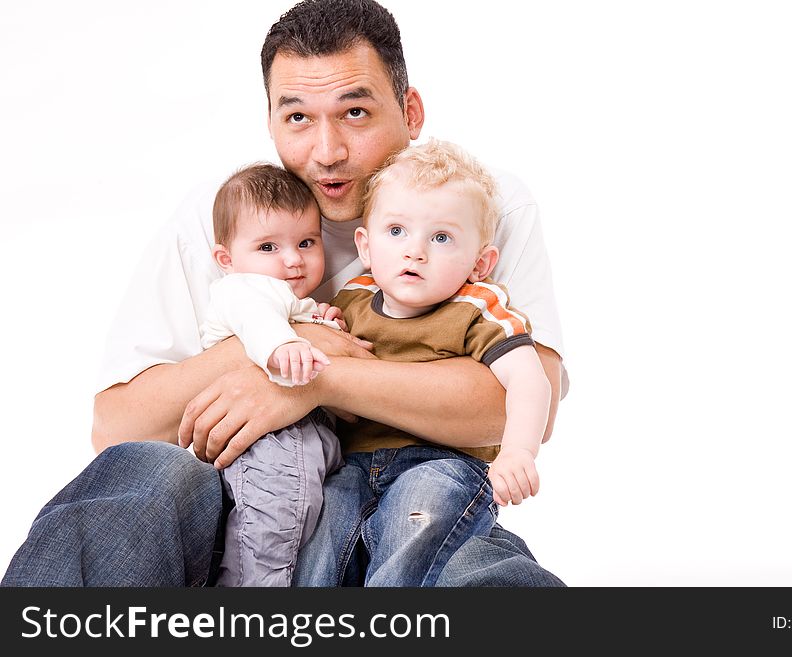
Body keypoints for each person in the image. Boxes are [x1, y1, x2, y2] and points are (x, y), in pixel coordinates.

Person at [2, 0, 566, 587]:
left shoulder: (470, 203)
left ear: (410, 110)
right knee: (146, 472)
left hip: (408, 501)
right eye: (297, 118)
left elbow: (521, 404)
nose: (327, 151)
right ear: (270, 120)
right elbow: (117, 427)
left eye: (355, 111)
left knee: (484, 573)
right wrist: (278, 345)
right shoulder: (228, 213)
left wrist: (311, 381)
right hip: (238, 514)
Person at [306, 138, 550, 586]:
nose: (414, 251)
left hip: (441, 464)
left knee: (418, 521)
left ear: (480, 263)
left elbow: (530, 379)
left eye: (440, 238)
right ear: (365, 244)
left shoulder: (476, 307)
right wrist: (323, 326)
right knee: (319, 538)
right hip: (352, 465)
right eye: (396, 231)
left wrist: (518, 450)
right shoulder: (354, 299)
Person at [202, 163, 345, 586]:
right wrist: (285, 346)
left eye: (306, 242)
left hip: (307, 434)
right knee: (272, 528)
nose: (292, 259)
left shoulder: (289, 299)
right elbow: (257, 320)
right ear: (227, 259)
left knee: (299, 530)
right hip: (272, 438)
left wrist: (323, 323)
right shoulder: (243, 289)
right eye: (268, 247)